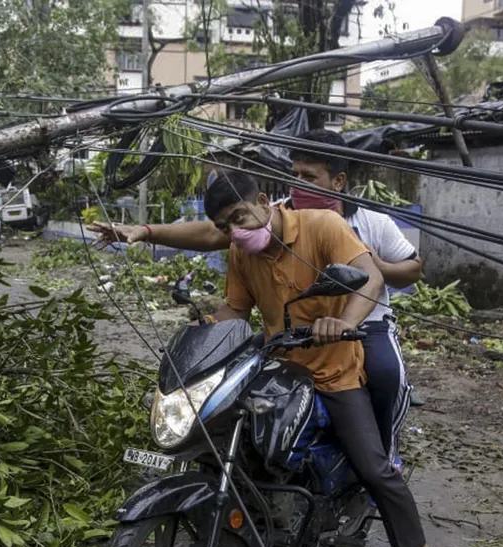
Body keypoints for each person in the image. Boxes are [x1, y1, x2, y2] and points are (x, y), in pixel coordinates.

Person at [150, 169, 453, 547]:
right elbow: (237, 310)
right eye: (225, 227)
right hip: (279, 368)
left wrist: (344, 319)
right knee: (233, 442)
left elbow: (369, 277)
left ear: (266, 199)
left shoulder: (322, 226)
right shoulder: (240, 252)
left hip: (334, 369)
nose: (236, 232)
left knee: (374, 466)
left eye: (239, 217)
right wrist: (206, 326)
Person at [89, 128, 423, 464]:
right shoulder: (273, 216)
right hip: (292, 324)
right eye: (294, 175)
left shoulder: (368, 221)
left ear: (337, 181)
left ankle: (384, 451)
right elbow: (212, 235)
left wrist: (370, 263)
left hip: (362, 322)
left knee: (384, 373)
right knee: (241, 371)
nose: (298, 183)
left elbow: (410, 269)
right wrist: (145, 232)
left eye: (310, 176)